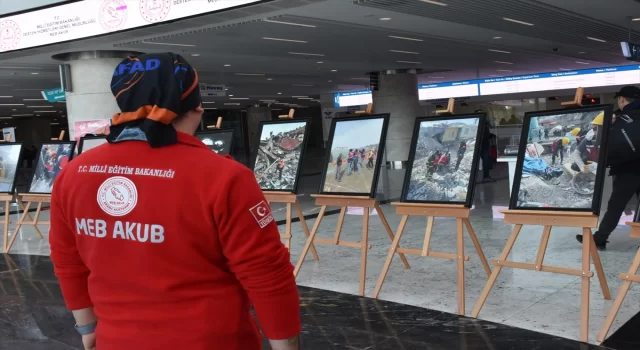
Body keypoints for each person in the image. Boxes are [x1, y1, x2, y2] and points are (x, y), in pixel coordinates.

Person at [49, 53, 301, 350]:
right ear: (196, 107)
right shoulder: (224, 177)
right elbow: (267, 275)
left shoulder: (74, 173)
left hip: (116, 340)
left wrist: (88, 327)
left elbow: (67, 260)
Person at [577, 86, 640, 250]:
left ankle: (600, 238)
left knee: (616, 205)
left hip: (628, 169)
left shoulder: (621, 119)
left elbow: (614, 146)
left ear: (622, 99)